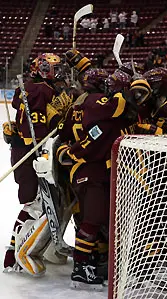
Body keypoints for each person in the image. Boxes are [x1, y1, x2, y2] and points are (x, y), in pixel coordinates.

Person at [57, 51, 141, 290]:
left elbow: (63, 137)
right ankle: (82, 268)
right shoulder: (97, 102)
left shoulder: (77, 105)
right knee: (93, 221)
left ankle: (94, 260)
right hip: (90, 170)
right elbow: (122, 104)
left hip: (84, 171)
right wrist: (129, 80)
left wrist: (67, 152)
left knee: (97, 219)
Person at [2, 53, 72, 276]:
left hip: (30, 149)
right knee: (34, 204)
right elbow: (40, 131)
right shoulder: (40, 89)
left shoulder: (35, 88)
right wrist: (60, 117)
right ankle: (14, 255)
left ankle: (47, 248)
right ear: (42, 69)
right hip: (32, 152)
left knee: (53, 202)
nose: (59, 73)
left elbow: (19, 106)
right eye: (54, 69)